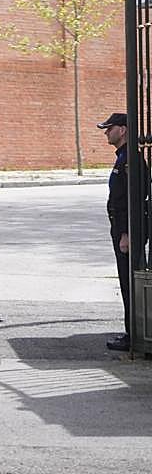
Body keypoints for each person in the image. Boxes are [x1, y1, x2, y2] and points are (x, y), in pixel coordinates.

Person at [99, 112, 132, 352]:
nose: (106, 133)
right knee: (125, 280)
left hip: (125, 233)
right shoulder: (122, 157)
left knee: (128, 281)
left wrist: (126, 233)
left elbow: (131, 200)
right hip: (120, 230)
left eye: (109, 128)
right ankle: (133, 331)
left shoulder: (129, 159)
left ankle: (134, 334)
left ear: (122, 130)